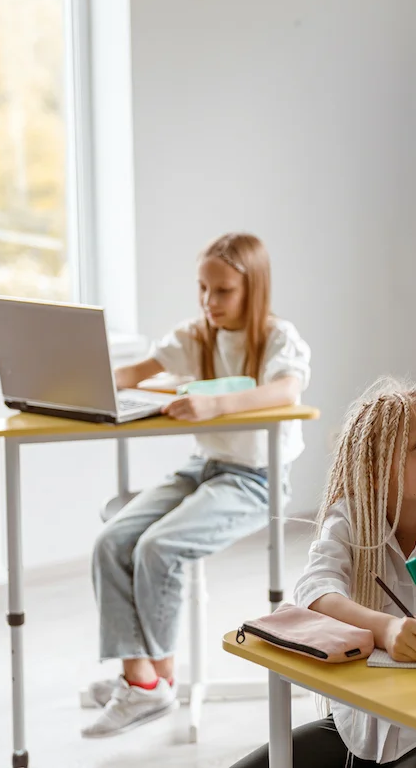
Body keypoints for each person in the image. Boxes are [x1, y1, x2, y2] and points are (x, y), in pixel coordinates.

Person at [83, 232, 312, 737]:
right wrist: (77, 376)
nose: (210, 302)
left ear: (254, 289)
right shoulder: (196, 336)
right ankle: (143, 680)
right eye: (203, 290)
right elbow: (135, 373)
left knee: (159, 548)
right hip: (202, 468)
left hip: (256, 480)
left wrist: (214, 404)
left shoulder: (278, 340)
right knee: (111, 541)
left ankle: (148, 684)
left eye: (223, 291)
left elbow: (287, 389)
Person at [232, 379, 416, 768]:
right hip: (359, 728)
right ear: (376, 468)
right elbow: (316, 590)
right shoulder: (350, 518)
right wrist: (387, 629)